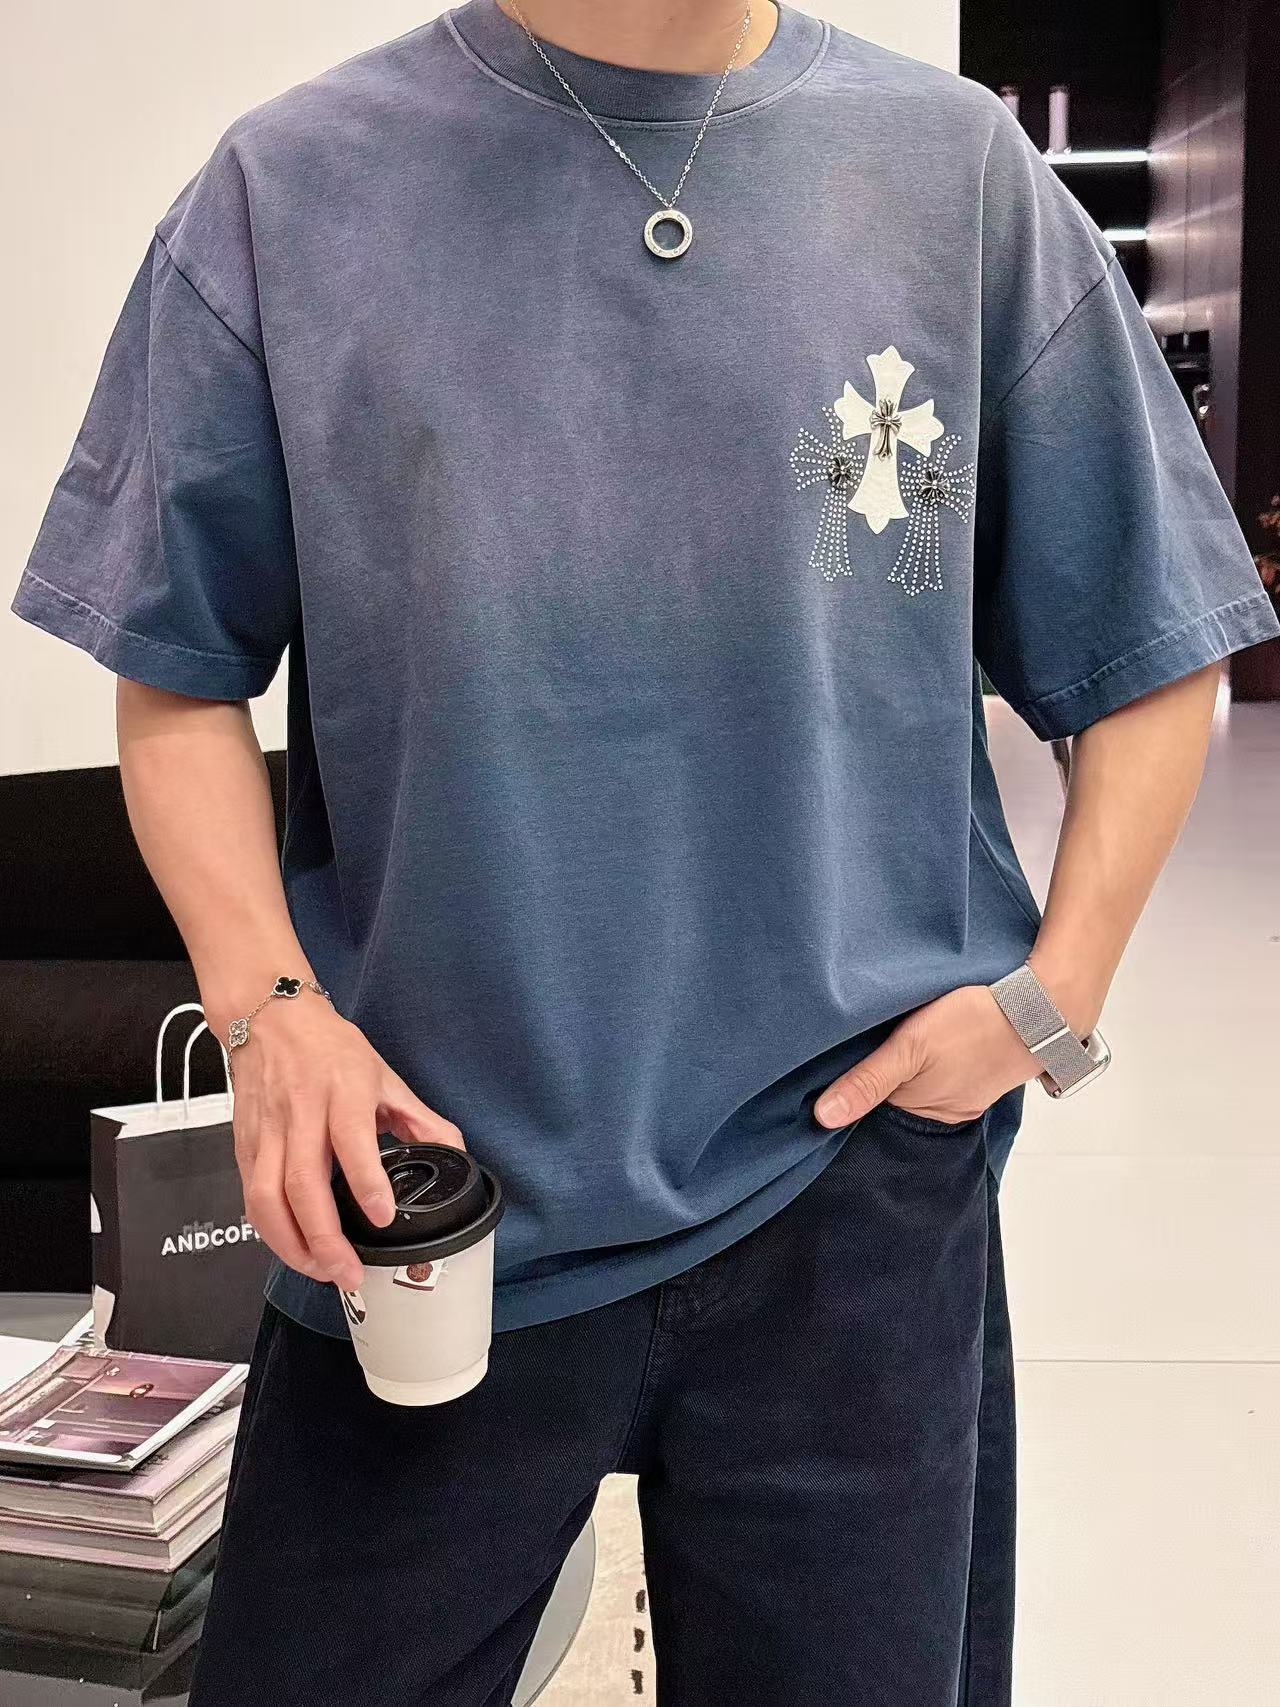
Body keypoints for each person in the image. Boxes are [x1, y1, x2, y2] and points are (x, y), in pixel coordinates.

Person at [12, 1, 1277, 1701]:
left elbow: (1154, 643)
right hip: (431, 1183)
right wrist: (269, 1013)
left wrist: (1050, 1003)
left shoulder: (955, 176)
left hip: (851, 1188)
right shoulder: (290, 194)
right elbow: (173, 669)